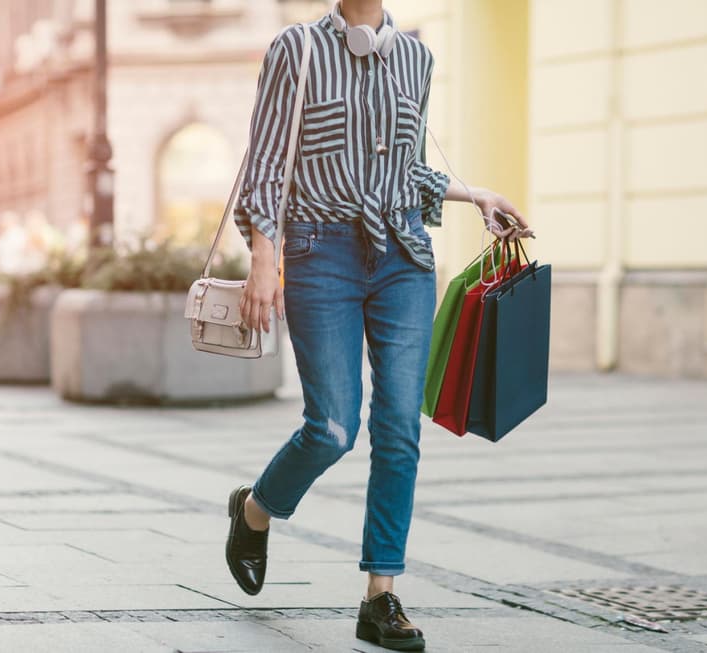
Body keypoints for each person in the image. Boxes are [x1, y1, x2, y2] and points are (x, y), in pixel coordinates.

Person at [228, 1, 533, 650]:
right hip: (319, 254)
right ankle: (254, 510)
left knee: (398, 427)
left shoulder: (416, 57)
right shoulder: (297, 49)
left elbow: (407, 170)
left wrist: (475, 194)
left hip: (402, 257)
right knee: (333, 427)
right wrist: (263, 257)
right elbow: (264, 164)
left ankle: (381, 594)